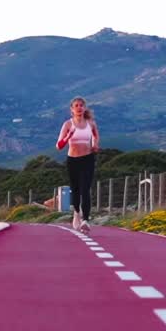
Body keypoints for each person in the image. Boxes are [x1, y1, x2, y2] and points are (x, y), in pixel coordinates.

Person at [56, 97, 99, 233]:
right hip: (73, 160)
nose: (79, 108)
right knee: (76, 190)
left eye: (81, 105)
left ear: (84, 108)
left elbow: (96, 136)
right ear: (72, 109)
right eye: (76, 106)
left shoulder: (91, 123)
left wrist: (95, 145)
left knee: (85, 189)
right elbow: (59, 146)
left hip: (88, 159)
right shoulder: (68, 125)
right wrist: (68, 136)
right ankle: (76, 213)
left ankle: (85, 219)